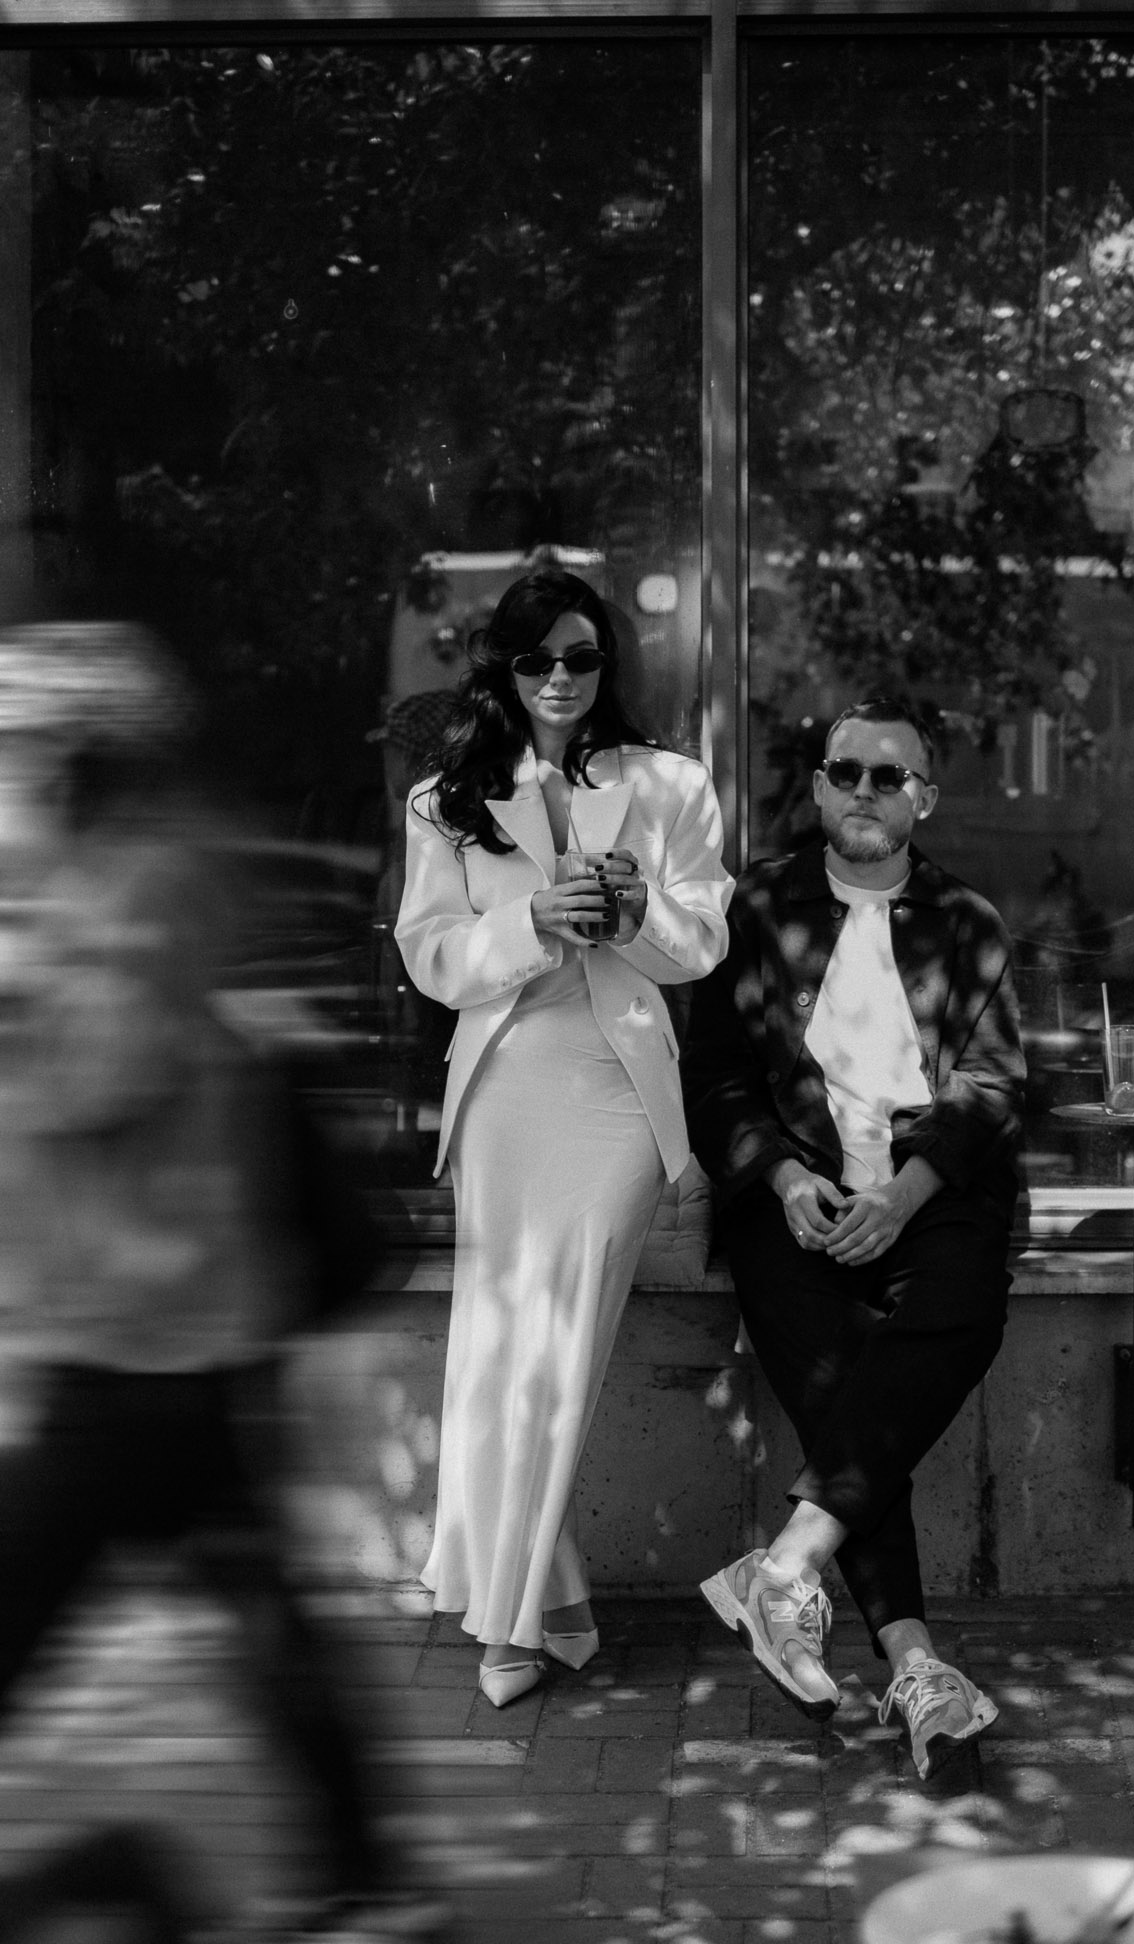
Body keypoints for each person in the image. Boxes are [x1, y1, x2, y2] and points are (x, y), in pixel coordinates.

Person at [0, 623, 435, 1939]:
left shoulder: (136, 879)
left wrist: (19, 989)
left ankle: (356, 1882)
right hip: (149, 1333)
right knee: (265, 1622)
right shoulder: (102, 878)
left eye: (22, 748)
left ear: (79, 756)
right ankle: (371, 1883)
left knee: (184, 1612)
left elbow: (104, 1071)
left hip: (148, 1340)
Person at [394, 558, 732, 1707]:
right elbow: (432, 956)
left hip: (617, 1094)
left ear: (606, 664)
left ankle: (507, 1617)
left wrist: (635, 912)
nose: (560, 677)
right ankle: (546, 1597)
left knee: (563, 1350)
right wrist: (530, 920)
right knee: (501, 1352)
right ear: (506, 665)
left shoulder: (670, 783)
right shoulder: (444, 799)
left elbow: (704, 943)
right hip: (503, 1089)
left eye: (582, 656)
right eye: (537, 657)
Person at [682, 696, 1025, 1779]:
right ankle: (918, 1670)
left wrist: (906, 1194)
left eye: (889, 776)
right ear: (818, 786)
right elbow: (715, 1078)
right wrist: (784, 1178)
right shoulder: (756, 906)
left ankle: (783, 1569)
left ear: (926, 797)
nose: (864, 792)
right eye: (845, 772)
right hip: (795, 1202)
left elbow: (992, 1084)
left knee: (957, 1316)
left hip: (932, 1196)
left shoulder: (966, 921)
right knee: (851, 1407)